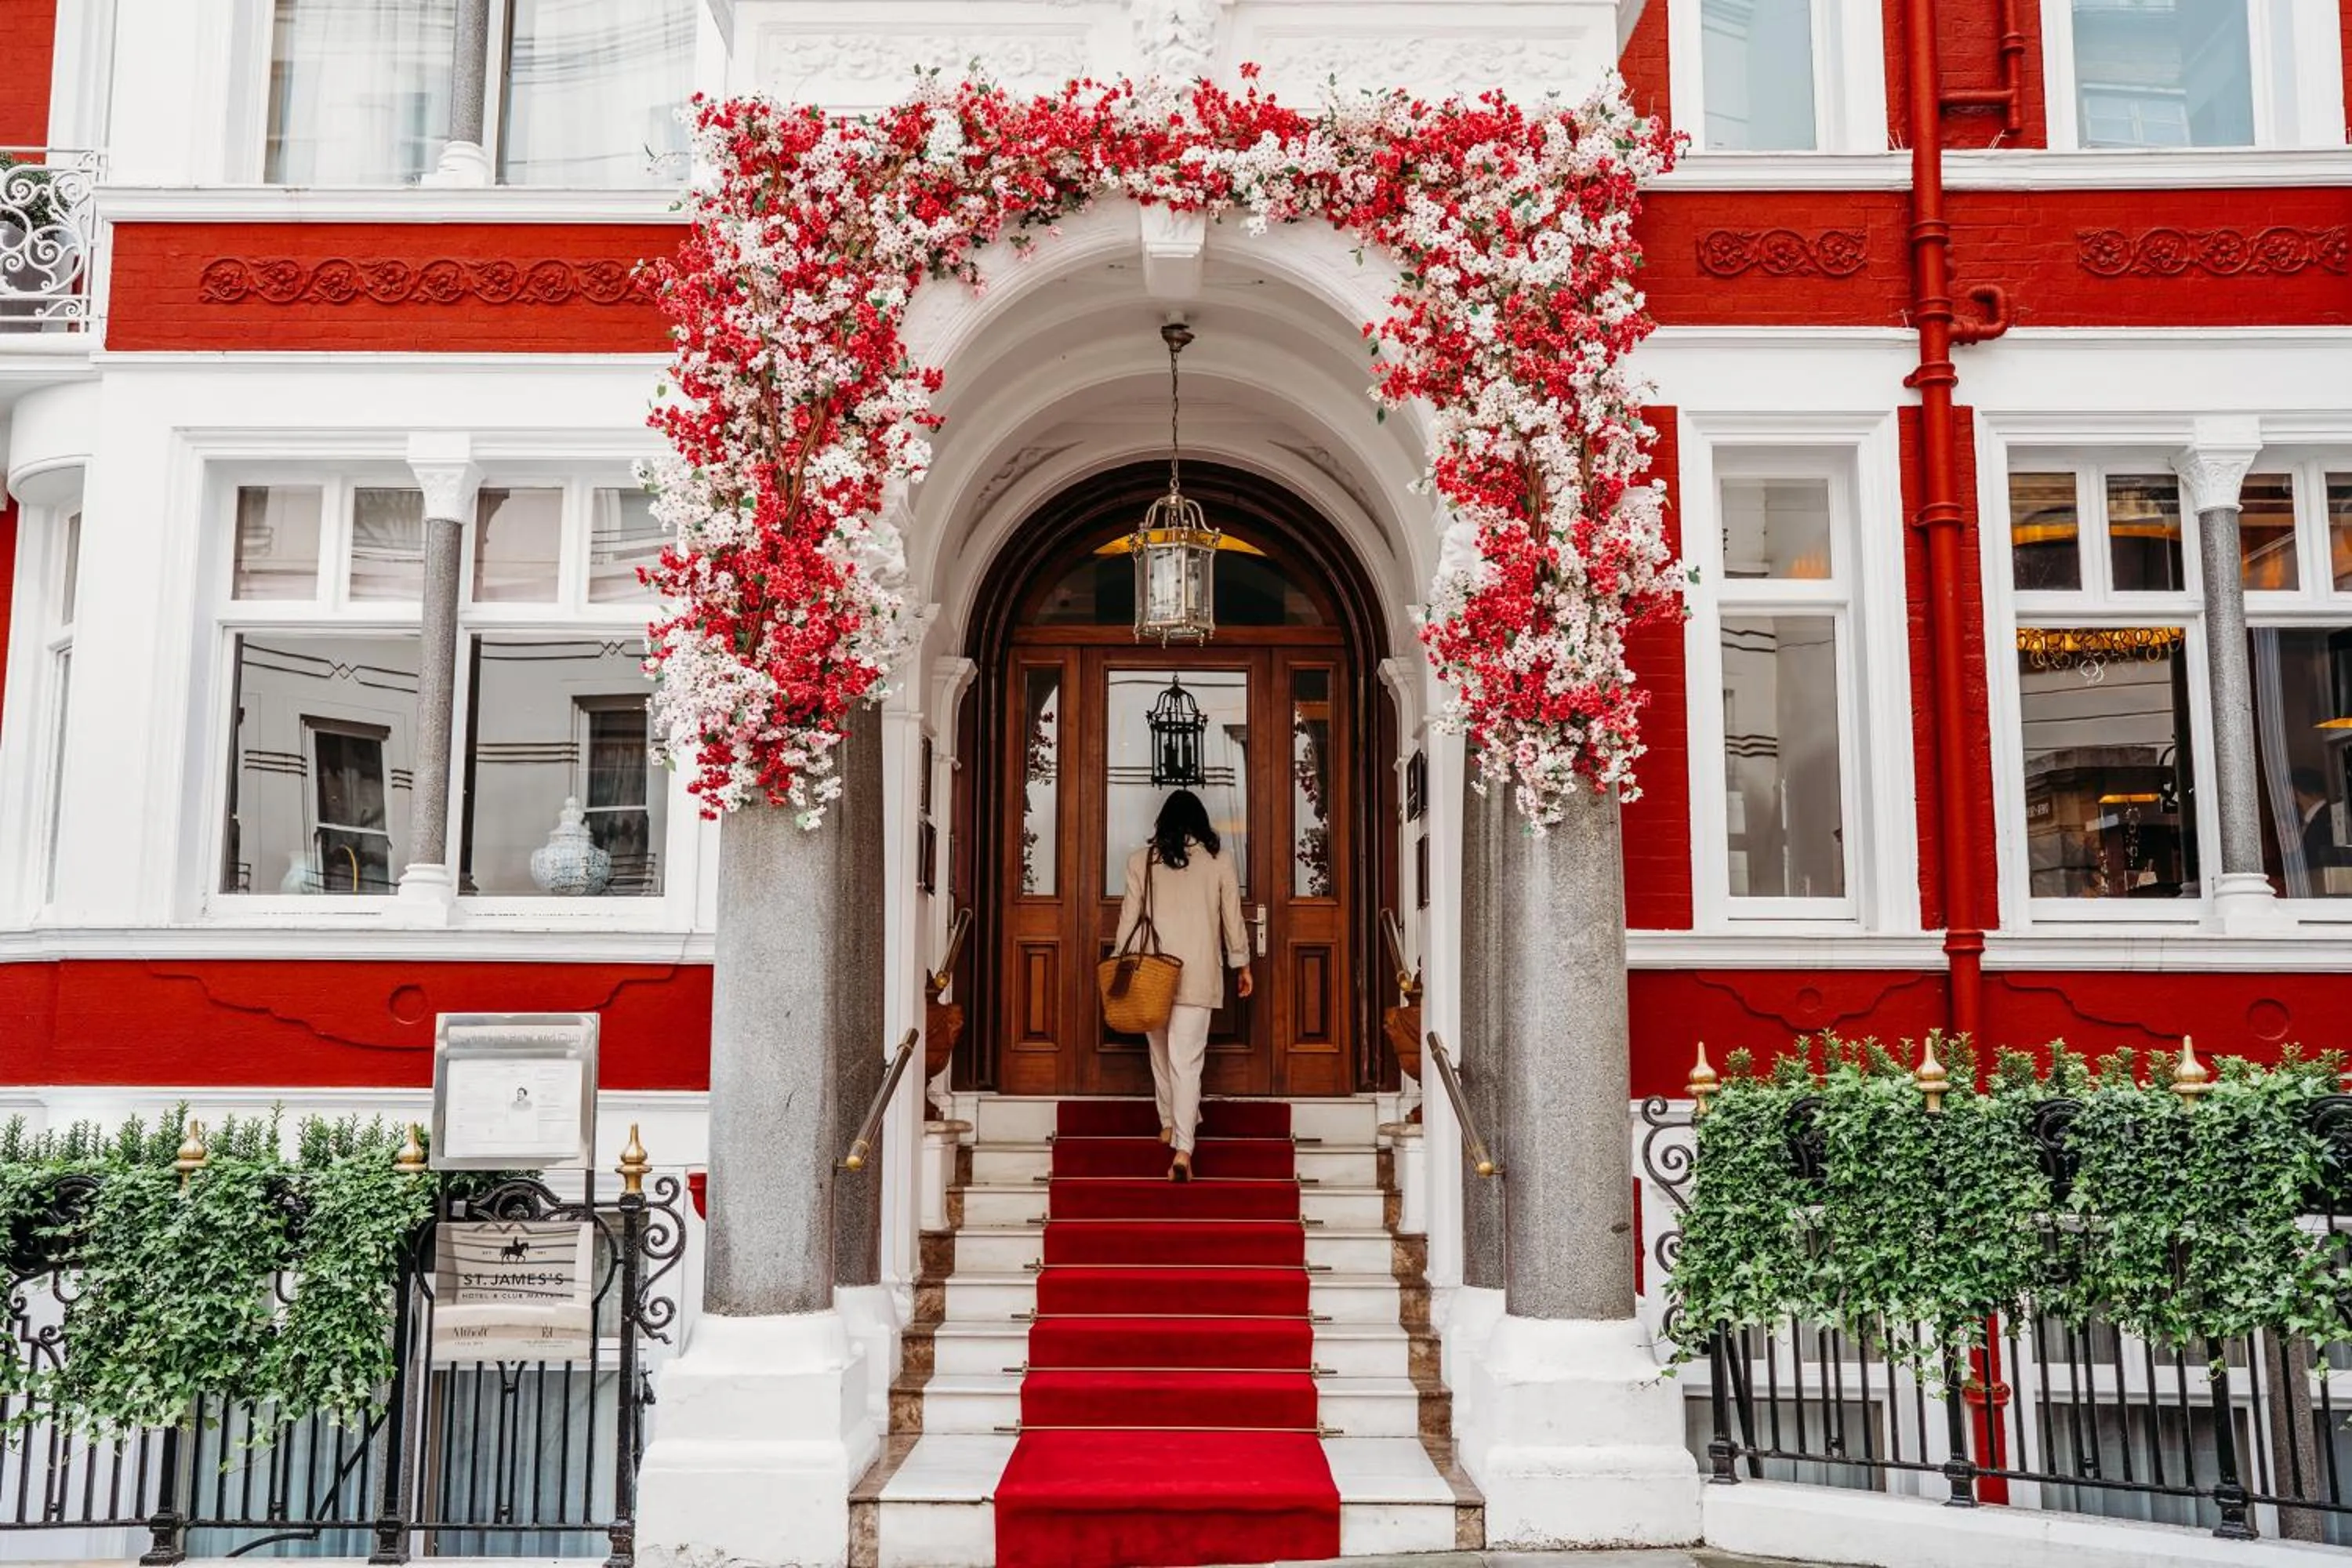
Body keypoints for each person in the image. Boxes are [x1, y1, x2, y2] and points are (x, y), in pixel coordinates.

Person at [1114, 789, 1253, 1181]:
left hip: (1150, 974)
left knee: (1160, 1053)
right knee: (1186, 1061)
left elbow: (1128, 920)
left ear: (1163, 823)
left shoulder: (1141, 861)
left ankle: (1169, 1122)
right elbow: (1232, 918)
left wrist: (1118, 967)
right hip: (1198, 974)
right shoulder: (1218, 861)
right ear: (1200, 822)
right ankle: (1183, 1149)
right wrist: (1241, 963)